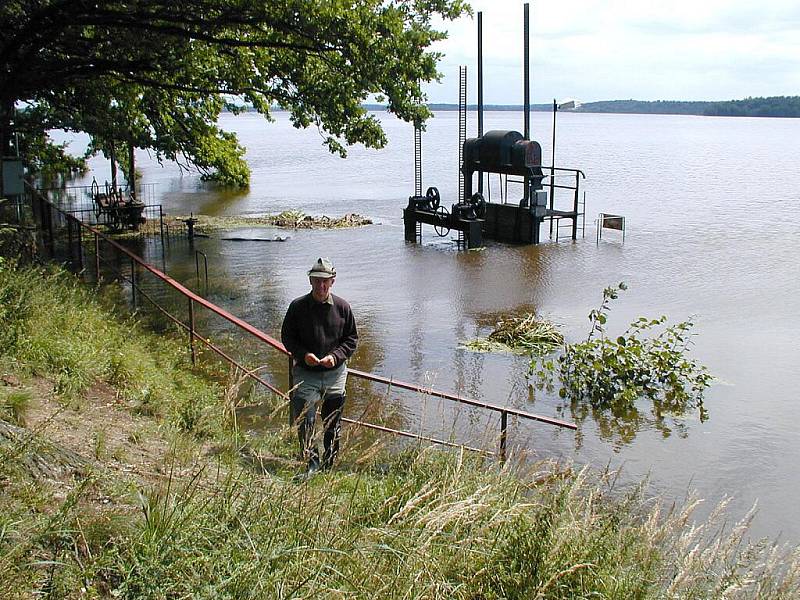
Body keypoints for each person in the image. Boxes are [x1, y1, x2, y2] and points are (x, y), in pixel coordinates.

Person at [281, 257, 358, 474]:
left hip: (335, 373)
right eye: (317, 281)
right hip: (306, 372)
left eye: (325, 281)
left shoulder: (343, 307)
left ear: (332, 281)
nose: (321, 286)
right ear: (310, 281)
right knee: (306, 418)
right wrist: (304, 355)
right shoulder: (297, 307)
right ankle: (311, 464)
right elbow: (287, 337)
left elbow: (351, 339)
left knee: (332, 422)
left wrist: (335, 357)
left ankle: (329, 463)